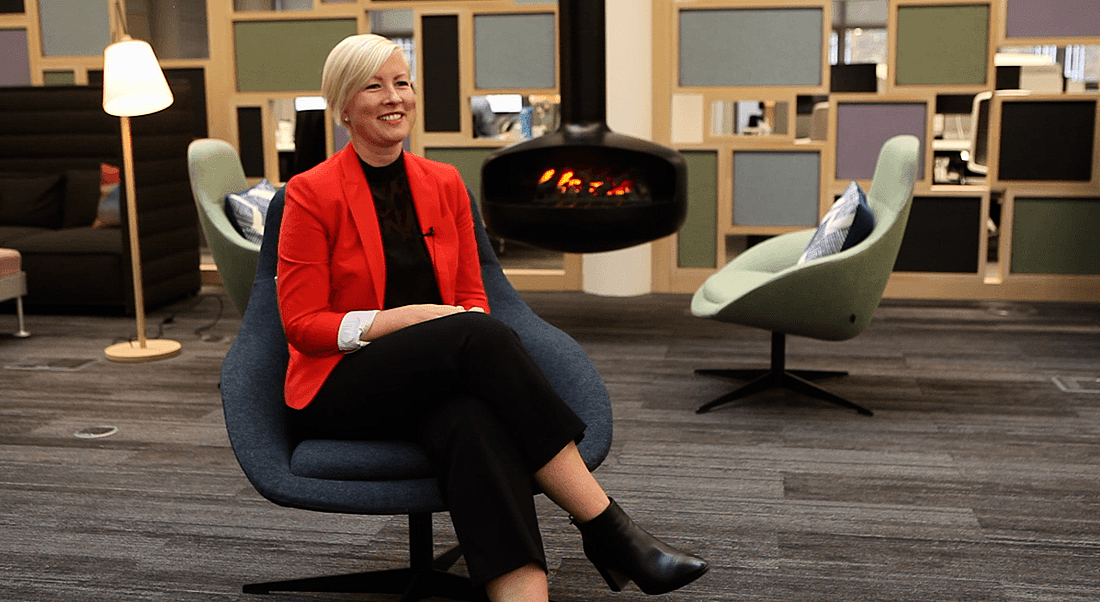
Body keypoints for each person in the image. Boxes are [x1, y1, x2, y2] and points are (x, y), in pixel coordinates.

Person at [277, 33, 709, 602]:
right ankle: (608, 529)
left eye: (402, 82)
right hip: (344, 383)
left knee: (473, 422)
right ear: (343, 106)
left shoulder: (445, 183)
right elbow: (302, 324)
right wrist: (401, 321)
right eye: (373, 86)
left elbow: (473, 297)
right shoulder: (310, 194)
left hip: (438, 374)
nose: (394, 97)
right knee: (472, 339)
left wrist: (450, 330)